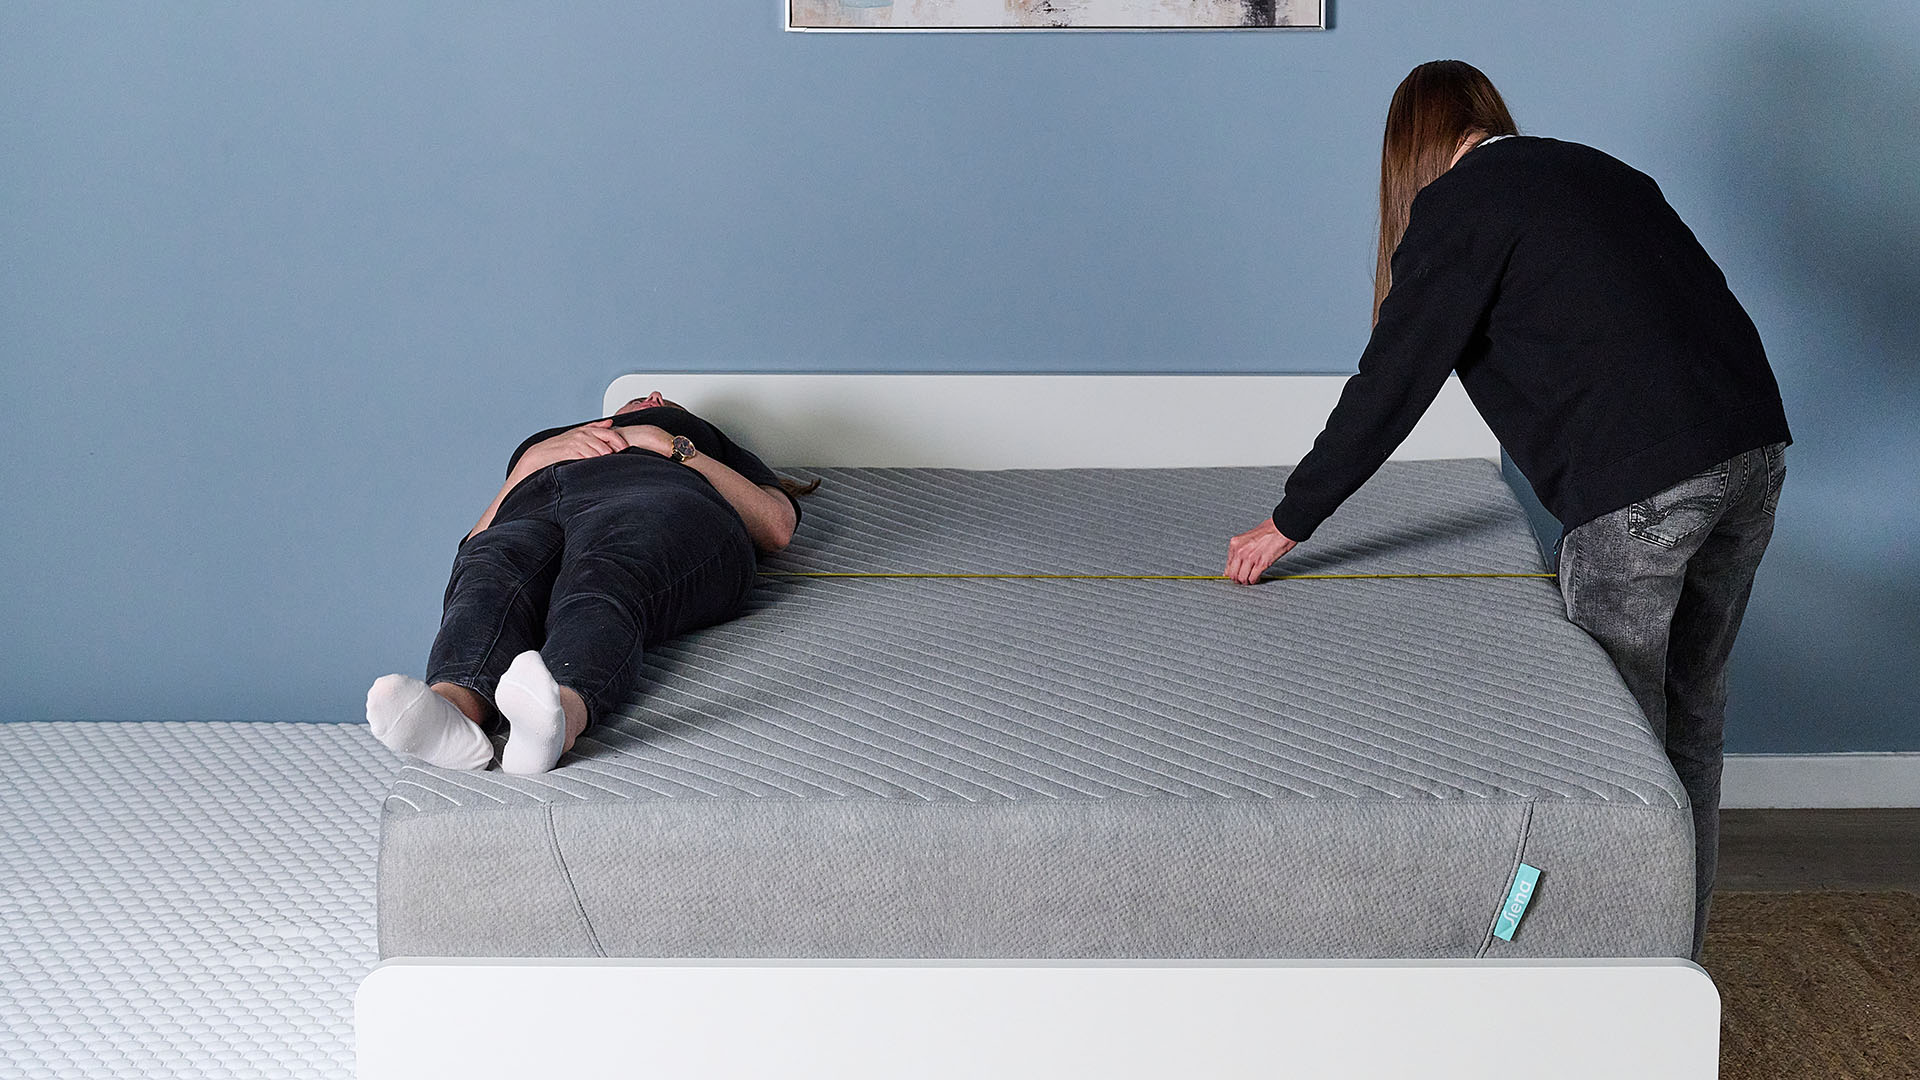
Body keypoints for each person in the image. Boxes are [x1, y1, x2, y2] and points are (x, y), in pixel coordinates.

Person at [1223, 60, 1790, 961]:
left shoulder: (1462, 205)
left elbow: (1393, 379)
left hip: (1644, 485)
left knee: (1611, 750)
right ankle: (1675, 960)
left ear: (1411, 150)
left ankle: (1613, 972)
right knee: (1691, 721)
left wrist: (1291, 519)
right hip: (1752, 448)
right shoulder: (1599, 171)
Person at [366, 391, 809, 776]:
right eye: (643, 399)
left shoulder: (694, 439)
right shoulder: (550, 443)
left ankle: (556, 719)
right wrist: (533, 461)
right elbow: (474, 542)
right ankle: (452, 709)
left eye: (665, 402)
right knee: (488, 573)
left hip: (654, 496)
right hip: (532, 504)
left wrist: (667, 443)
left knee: (603, 578)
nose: (654, 396)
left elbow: (776, 525)